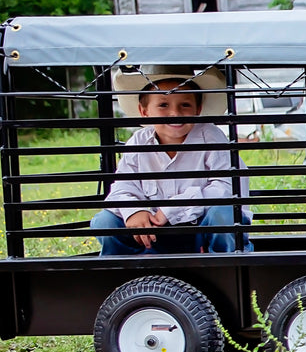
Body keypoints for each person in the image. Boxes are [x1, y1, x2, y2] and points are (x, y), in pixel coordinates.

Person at [91, 66, 251, 255]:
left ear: (197, 109)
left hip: (200, 230)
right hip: (154, 234)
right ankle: (126, 273)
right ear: (144, 112)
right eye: (163, 105)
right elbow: (123, 186)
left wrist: (171, 210)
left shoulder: (211, 137)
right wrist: (134, 211)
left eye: (185, 105)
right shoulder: (139, 142)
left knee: (224, 215)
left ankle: (226, 266)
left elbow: (227, 188)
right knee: (104, 222)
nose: (175, 113)